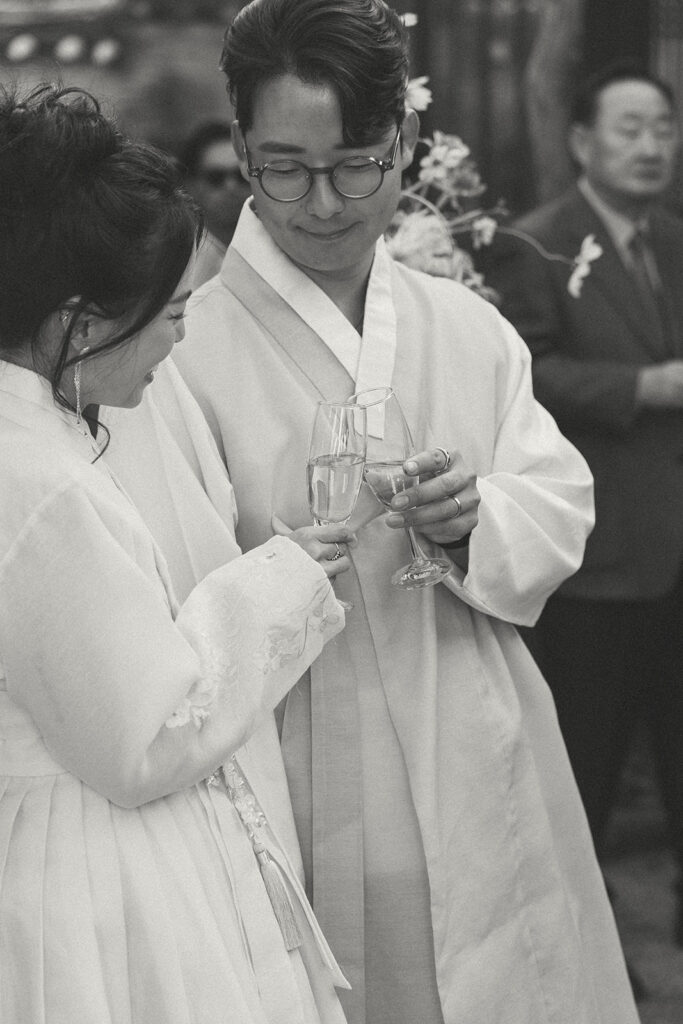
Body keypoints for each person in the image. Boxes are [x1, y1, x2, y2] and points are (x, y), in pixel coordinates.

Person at [173, 2, 640, 1022]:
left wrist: (475, 515)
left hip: (472, 725)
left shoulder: (463, 326)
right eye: (284, 167)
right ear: (242, 150)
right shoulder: (184, 349)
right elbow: (167, 586)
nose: (323, 203)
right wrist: (277, 568)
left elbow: (558, 502)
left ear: (405, 145)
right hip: (286, 746)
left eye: (356, 165)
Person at [0, 83, 355, 1024]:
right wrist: (279, 584)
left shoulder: (41, 441)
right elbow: (143, 738)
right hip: (86, 868)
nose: (180, 337)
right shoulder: (41, 483)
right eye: (172, 310)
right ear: (79, 321)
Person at [487, 63, 683, 949]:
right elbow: (523, 378)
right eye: (631, 128)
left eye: (663, 130)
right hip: (595, 571)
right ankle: (583, 960)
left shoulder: (673, 241)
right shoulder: (533, 245)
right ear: (580, 141)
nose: (651, 147)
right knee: (584, 781)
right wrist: (639, 386)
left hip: (674, 562)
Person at [178, 120, 252, 286]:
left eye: (241, 175)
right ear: (191, 185)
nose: (231, 187)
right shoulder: (177, 262)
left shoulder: (279, 247)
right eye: (216, 178)